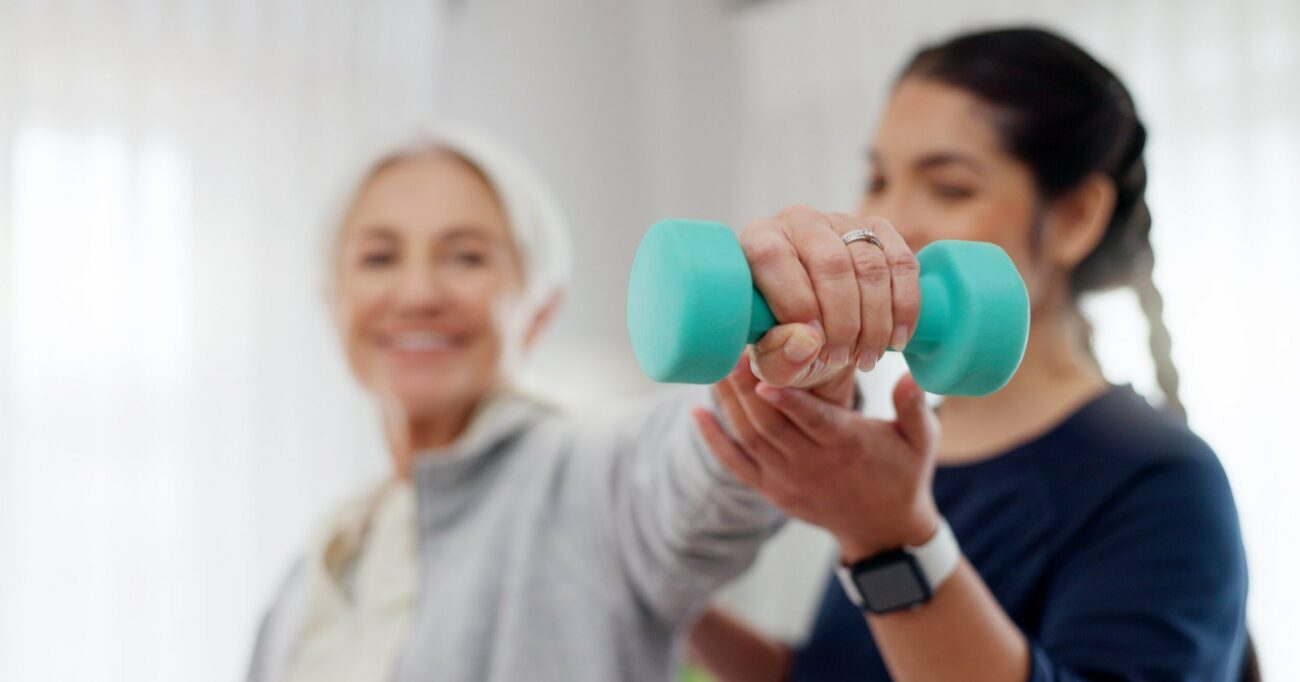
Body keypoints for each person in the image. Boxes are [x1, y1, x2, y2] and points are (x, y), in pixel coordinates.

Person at [243, 125, 923, 682]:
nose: (418, 292)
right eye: (379, 257)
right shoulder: (320, 566)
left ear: (541, 306)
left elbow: (702, 464)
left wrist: (790, 363)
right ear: (333, 302)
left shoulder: (587, 475)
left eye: (466, 256)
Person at [688, 27, 1251, 682]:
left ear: (1074, 218)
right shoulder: (897, 454)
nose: (889, 229)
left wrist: (887, 541)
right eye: (877, 178)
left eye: (949, 188)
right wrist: (672, 601)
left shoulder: (1163, 480)